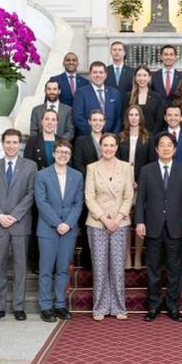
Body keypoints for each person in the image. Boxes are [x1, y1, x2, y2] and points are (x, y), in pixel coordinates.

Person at [135, 133, 182, 322]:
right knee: (153, 269)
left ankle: (173, 306)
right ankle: (153, 305)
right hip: (152, 227)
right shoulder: (146, 170)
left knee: (174, 270)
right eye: (162, 145)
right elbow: (141, 199)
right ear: (156, 149)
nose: (166, 148)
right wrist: (140, 221)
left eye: (169, 145)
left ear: (175, 150)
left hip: (176, 227)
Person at [0, 128, 37, 322]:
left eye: (15, 142)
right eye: (8, 142)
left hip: (20, 224)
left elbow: (31, 194)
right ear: (2, 144)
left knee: (20, 267)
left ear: (19, 144)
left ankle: (19, 307)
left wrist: (13, 216)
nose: (11, 146)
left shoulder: (30, 167)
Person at [84, 133, 135, 321]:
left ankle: (119, 307)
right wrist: (105, 219)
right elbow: (89, 196)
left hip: (120, 222)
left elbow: (129, 196)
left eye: (112, 145)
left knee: (117, 266)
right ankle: (100, 308)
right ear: (100, 147)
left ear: (117, 147)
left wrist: (118, 218)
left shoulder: (125, 167)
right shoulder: (92, 168)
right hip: (97, 222)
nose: (108, 148)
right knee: (99, 266)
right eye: (105, 145)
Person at [35, 139, 83, 323]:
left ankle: (60, 304)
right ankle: (46, 306)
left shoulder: (77, 176)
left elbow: (79, 203)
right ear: (54, 154)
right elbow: (41, 202)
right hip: (48, 229)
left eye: (67, 152)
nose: (63, 155)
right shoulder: (42, 175)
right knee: (46, 269)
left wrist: (68, 223)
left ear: (70, 156)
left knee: (63, 269)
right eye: (60, 152)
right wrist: (57, 223)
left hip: (69, 230)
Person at [24, 109, 62, 273]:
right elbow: (27, 167)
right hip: (38, 191)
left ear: (57, 123)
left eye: (53, 119)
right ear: (41, 121)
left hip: (57, 191)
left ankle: (54, 264)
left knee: (55, 226)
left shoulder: (62, 141)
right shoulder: (33, 141)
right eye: (47, 119)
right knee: (37, 226)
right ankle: (36, 263)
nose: (50, 122)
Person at [118, 104, 154, 269]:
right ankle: (126, 257)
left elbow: (151, 162)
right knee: (125, 221)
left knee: (139, 220)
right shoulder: (120, 137)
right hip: (123, 185)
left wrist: (140, 180)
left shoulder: (148, 137)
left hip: (141, 185)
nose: (133, 118)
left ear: (140, 118)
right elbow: (116, 162)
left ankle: (138, 256)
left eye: (136, 115)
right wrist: (126, 180)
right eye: (130, 115)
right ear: (127, 118)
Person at [72, 109, 106, 270]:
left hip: (107, 192)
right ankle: (88, 261)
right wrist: (94, 178)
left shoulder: (109, 140)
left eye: (100, 120)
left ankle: (104, 261)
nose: (98, 123)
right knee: (89, 225)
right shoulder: (81, 141)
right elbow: (78, 164)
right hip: (89, 189)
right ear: (89, 122)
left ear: (104, 123)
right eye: (95, 120)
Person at [73, 61, 122, 136]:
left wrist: (113, 136)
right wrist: (95, 134)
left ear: (105, 75)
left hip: (111, 140)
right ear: (90, 75)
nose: (98, 75)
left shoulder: (115, 93)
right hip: (88, 138)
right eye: (95, 72)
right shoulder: (81, 93)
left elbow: (119, 117)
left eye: (101, 72)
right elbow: (78, 118)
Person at [123, 65, 165, 135]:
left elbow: (159, 121)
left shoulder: (157, 97)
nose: (142, 78)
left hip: (151, 136)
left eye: (145, 75)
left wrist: (152, 137)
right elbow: (125, 118)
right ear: (135, 78)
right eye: (139, 75)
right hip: (132, 135)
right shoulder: (129, 96)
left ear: (149, 78)